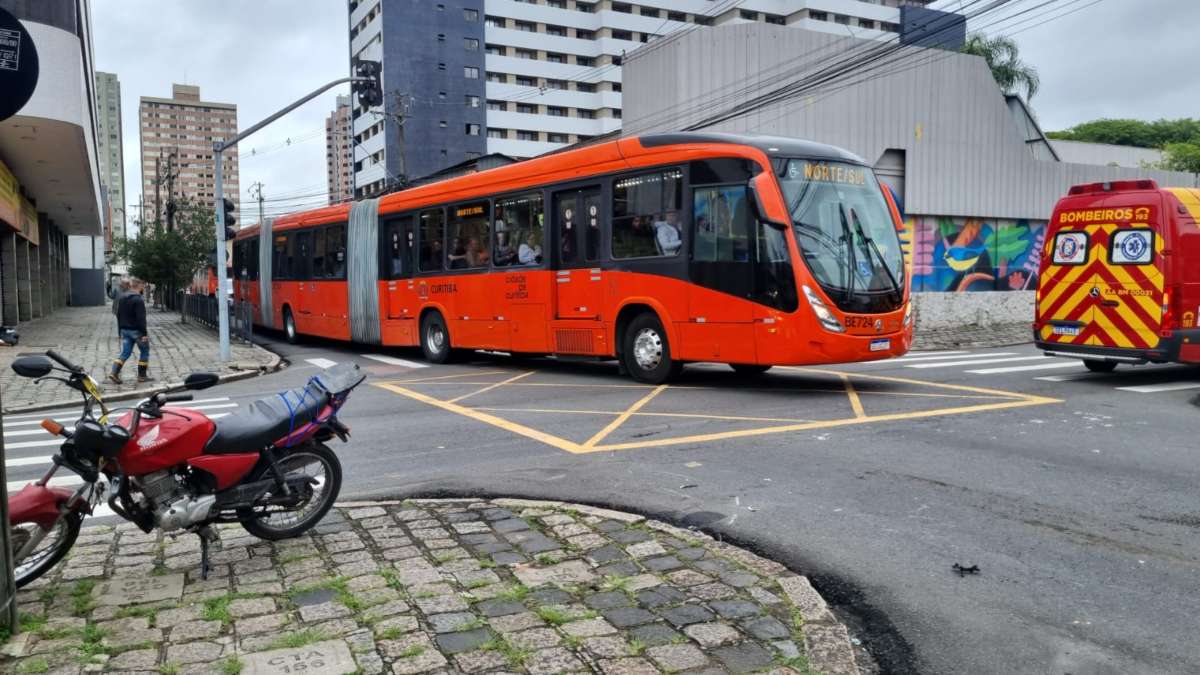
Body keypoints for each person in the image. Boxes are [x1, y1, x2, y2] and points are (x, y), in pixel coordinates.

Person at [109, 279, 152, 384]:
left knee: (125, 352)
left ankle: (114, 372)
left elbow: (119, 315)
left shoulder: (122, 297)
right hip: (137, 332)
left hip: (125, 330)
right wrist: (144, 334)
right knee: (145, 351)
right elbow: (141, 318)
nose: (144, 287)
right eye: (143, 285)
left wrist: (120, 331)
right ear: (139, 286)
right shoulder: (138, 300)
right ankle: (142, 376)